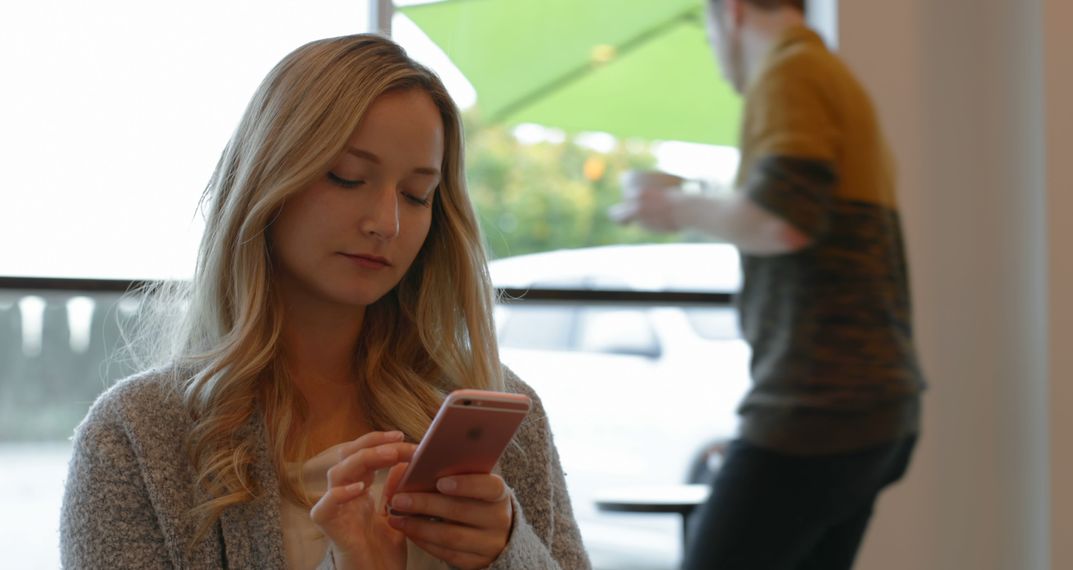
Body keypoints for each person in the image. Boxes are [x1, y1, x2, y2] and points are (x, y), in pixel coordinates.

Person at [60, 34, 589, 570]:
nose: (386, 223)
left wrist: (508, 553)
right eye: (347, 177)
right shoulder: (137, 438)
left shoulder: (495, 408)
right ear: (267, 177)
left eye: (416, 195)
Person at [611, 1, 924, 568]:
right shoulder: (829, 73)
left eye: (706, 37)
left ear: (729, 13)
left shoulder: (790, 71)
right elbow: (792, 208)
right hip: (876, 402)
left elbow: (782, 219)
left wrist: (674, 206)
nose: (714, 55)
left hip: (818, 402)